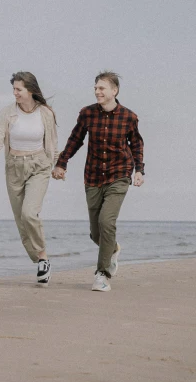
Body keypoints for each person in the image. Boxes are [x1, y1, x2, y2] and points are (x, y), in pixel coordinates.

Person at [52, 71, 144, 292]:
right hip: (93, 177)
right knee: (96, 233)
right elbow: (75, 139)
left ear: (115, 90)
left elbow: (136, 145)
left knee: (106, 221)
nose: (97, 91)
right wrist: (61, 163)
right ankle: (112, 249)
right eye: (95, 88)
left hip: (119, 175)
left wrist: (139, 170)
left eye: (102, 88)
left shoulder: (129, 117)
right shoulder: (87, 114)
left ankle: (102, 275)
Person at [0, 72, 58, 285]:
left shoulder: (45, 114)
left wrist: (58, 165)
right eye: (13, 89)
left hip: (39, 166)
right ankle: (41, 260)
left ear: (30, 90)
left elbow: (52, 143)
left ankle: (42, 258)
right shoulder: (7, 113)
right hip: (14, 167)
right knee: (21, 221)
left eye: (18, 89)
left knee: (29, 213)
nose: (15, 93)